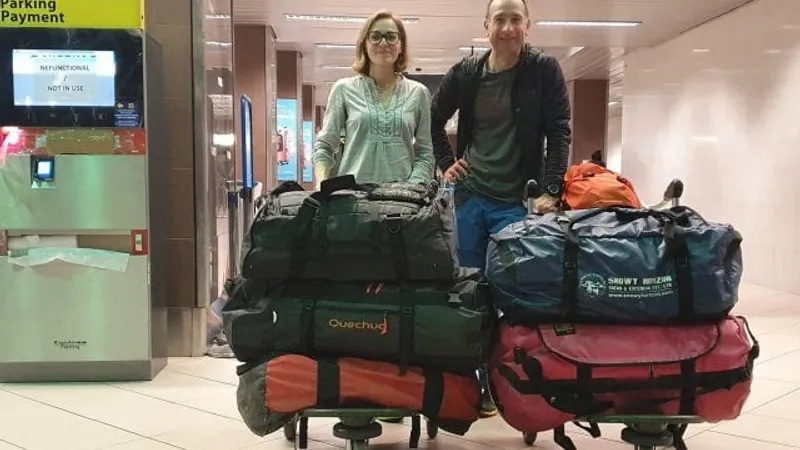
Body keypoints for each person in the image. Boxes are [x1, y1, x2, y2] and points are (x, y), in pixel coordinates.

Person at [430, 0, 572, 417]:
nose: (507, 28)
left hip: (516, 202)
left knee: (514, 294)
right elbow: (432, 117)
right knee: (471, 292)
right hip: (470, 199)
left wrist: (551, 189)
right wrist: (445, 162)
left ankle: (509, 377)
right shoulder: (467, 72)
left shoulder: (543, 70)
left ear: (528, 25)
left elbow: (559, 131)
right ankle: (475, 380)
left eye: (515, 19)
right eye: (500, 19)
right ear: (486, 26)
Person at [312, 10, 435, 188]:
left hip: (402, 200)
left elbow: (425, 153)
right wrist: (321, 185)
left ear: (401, 46)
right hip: (353, 198)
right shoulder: (343, 89)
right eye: (375, 36)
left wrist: (412, 188)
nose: (383, 43)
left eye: (391, 37)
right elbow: (324, 145)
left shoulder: (418, 93)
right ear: (364, 44)